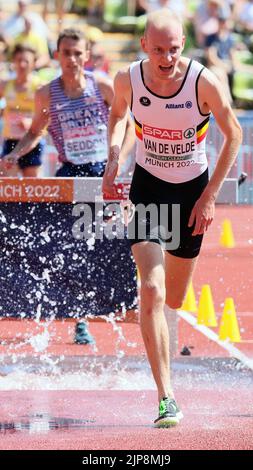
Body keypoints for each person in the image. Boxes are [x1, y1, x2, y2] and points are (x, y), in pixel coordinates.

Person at [102, 8, 242, 427]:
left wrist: (210, 196)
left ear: (185, 46)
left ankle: (164, 355)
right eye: (159, 49)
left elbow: (234, 132)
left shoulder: (203, 82)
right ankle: (166, 397)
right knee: (152, 289)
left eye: (174, 49)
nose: (166, 58)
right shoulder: (128, 78)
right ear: (144, 44)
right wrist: (113, 161)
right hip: (147, 188)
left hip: (192, 193)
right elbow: (118, 115)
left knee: (174, 301)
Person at [2, 28, 135, 343]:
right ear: (57, 56)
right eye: (66, 53)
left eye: (78, 53)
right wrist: (15, 154)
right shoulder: (46, 94)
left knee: (112, 244)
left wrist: (118, 160)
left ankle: (132, 307)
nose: (72, 59)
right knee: (74, 250)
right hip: (70, 174)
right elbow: (36, 131)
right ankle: (80, 320)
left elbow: (129, 124)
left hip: (104, 173)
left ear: (86, 56)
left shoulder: (101, 86)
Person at [0, 44, 45, 177]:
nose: (22, 65)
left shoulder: (40, 87)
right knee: (8, 187)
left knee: (32, 187)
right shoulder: (5, 85)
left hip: (32, 142)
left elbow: (49, 116)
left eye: (26, 61)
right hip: (11, 140)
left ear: (33, 64)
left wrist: (31, 122)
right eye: (19, 60)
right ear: (13, 62)